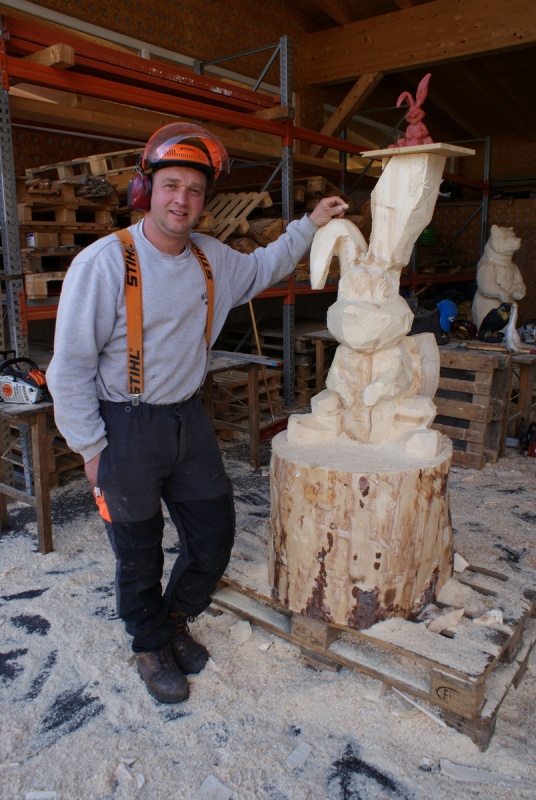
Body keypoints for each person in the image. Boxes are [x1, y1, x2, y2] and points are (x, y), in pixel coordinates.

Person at [46, 122, 348, 704]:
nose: (181, 199)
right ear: (147, 190)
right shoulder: (105, 263)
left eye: (193, 189)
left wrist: (310, 224)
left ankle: (175, 619)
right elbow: (70, 366)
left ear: (204, 200)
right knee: (138, 551)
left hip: (187, 419)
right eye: (171, 185)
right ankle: (149, 644)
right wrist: (90, 448)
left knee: (213, 538)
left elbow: (265, 265)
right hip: (125, 426)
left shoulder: (212, 258)